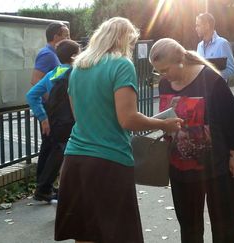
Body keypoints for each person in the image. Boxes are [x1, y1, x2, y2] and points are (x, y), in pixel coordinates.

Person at [54, 18, 182, 243]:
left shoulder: (78, 67)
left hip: (75, 160)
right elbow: (128, 119)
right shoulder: (121, 65)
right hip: (108, 163)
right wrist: (163, 124)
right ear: (124, 40)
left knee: (85, 235)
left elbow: (79, 118)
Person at [149, 38, 234, 243]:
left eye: (165, 69)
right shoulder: (165, 83)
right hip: (180, 168)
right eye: (158, 71)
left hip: (217, 167)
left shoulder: (211, 79)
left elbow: (232, 120)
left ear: (181, 61)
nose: (162, 75)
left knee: (225, 227)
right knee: (189, 228)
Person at [26, 39, 80, 202]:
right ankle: (46, 189)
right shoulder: (76, 74)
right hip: (70, 121)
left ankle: (46, 188)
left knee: (56, 153)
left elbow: (31, 95)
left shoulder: (53, 73)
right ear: (74, 56)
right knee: (62, 155)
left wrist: (43, 118)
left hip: (55, 120)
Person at [31, 22, 70, 200]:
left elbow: (41, 85)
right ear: (56, 37)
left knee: (50, 147)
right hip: (57, 114)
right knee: (55, 148)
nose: (68, 38)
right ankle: (43, 187)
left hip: (54, 113)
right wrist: (54, 103)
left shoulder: (56, 64)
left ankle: (43, 187)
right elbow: (35, 81)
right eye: (66, 35)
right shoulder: (48, 55)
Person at [195, 13, 234, 81]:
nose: (196, 28)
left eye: (198, 25)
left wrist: (212, 76)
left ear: (207, 25)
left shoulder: (222, 43)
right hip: (202, 89)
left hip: (217, 90)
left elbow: (232, 71)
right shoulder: (199, 46)